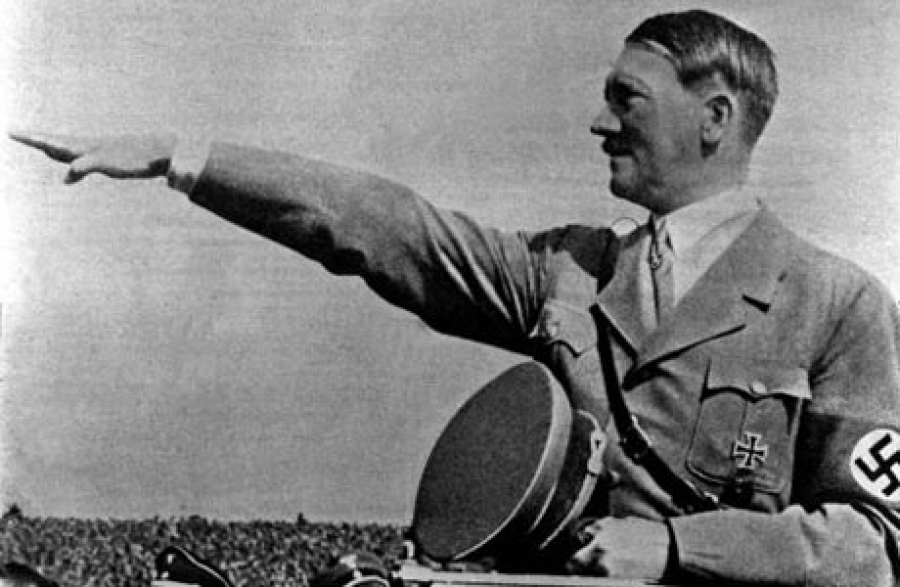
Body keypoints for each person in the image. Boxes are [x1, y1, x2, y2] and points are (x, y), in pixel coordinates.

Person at [10, 8, 900, 586]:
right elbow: (390, 228)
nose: (599, 123)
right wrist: (185, 157)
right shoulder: (572, 270)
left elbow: (873, 544)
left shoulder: (837, 303)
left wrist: (675, 547)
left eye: (626, 99)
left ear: (716, 117)